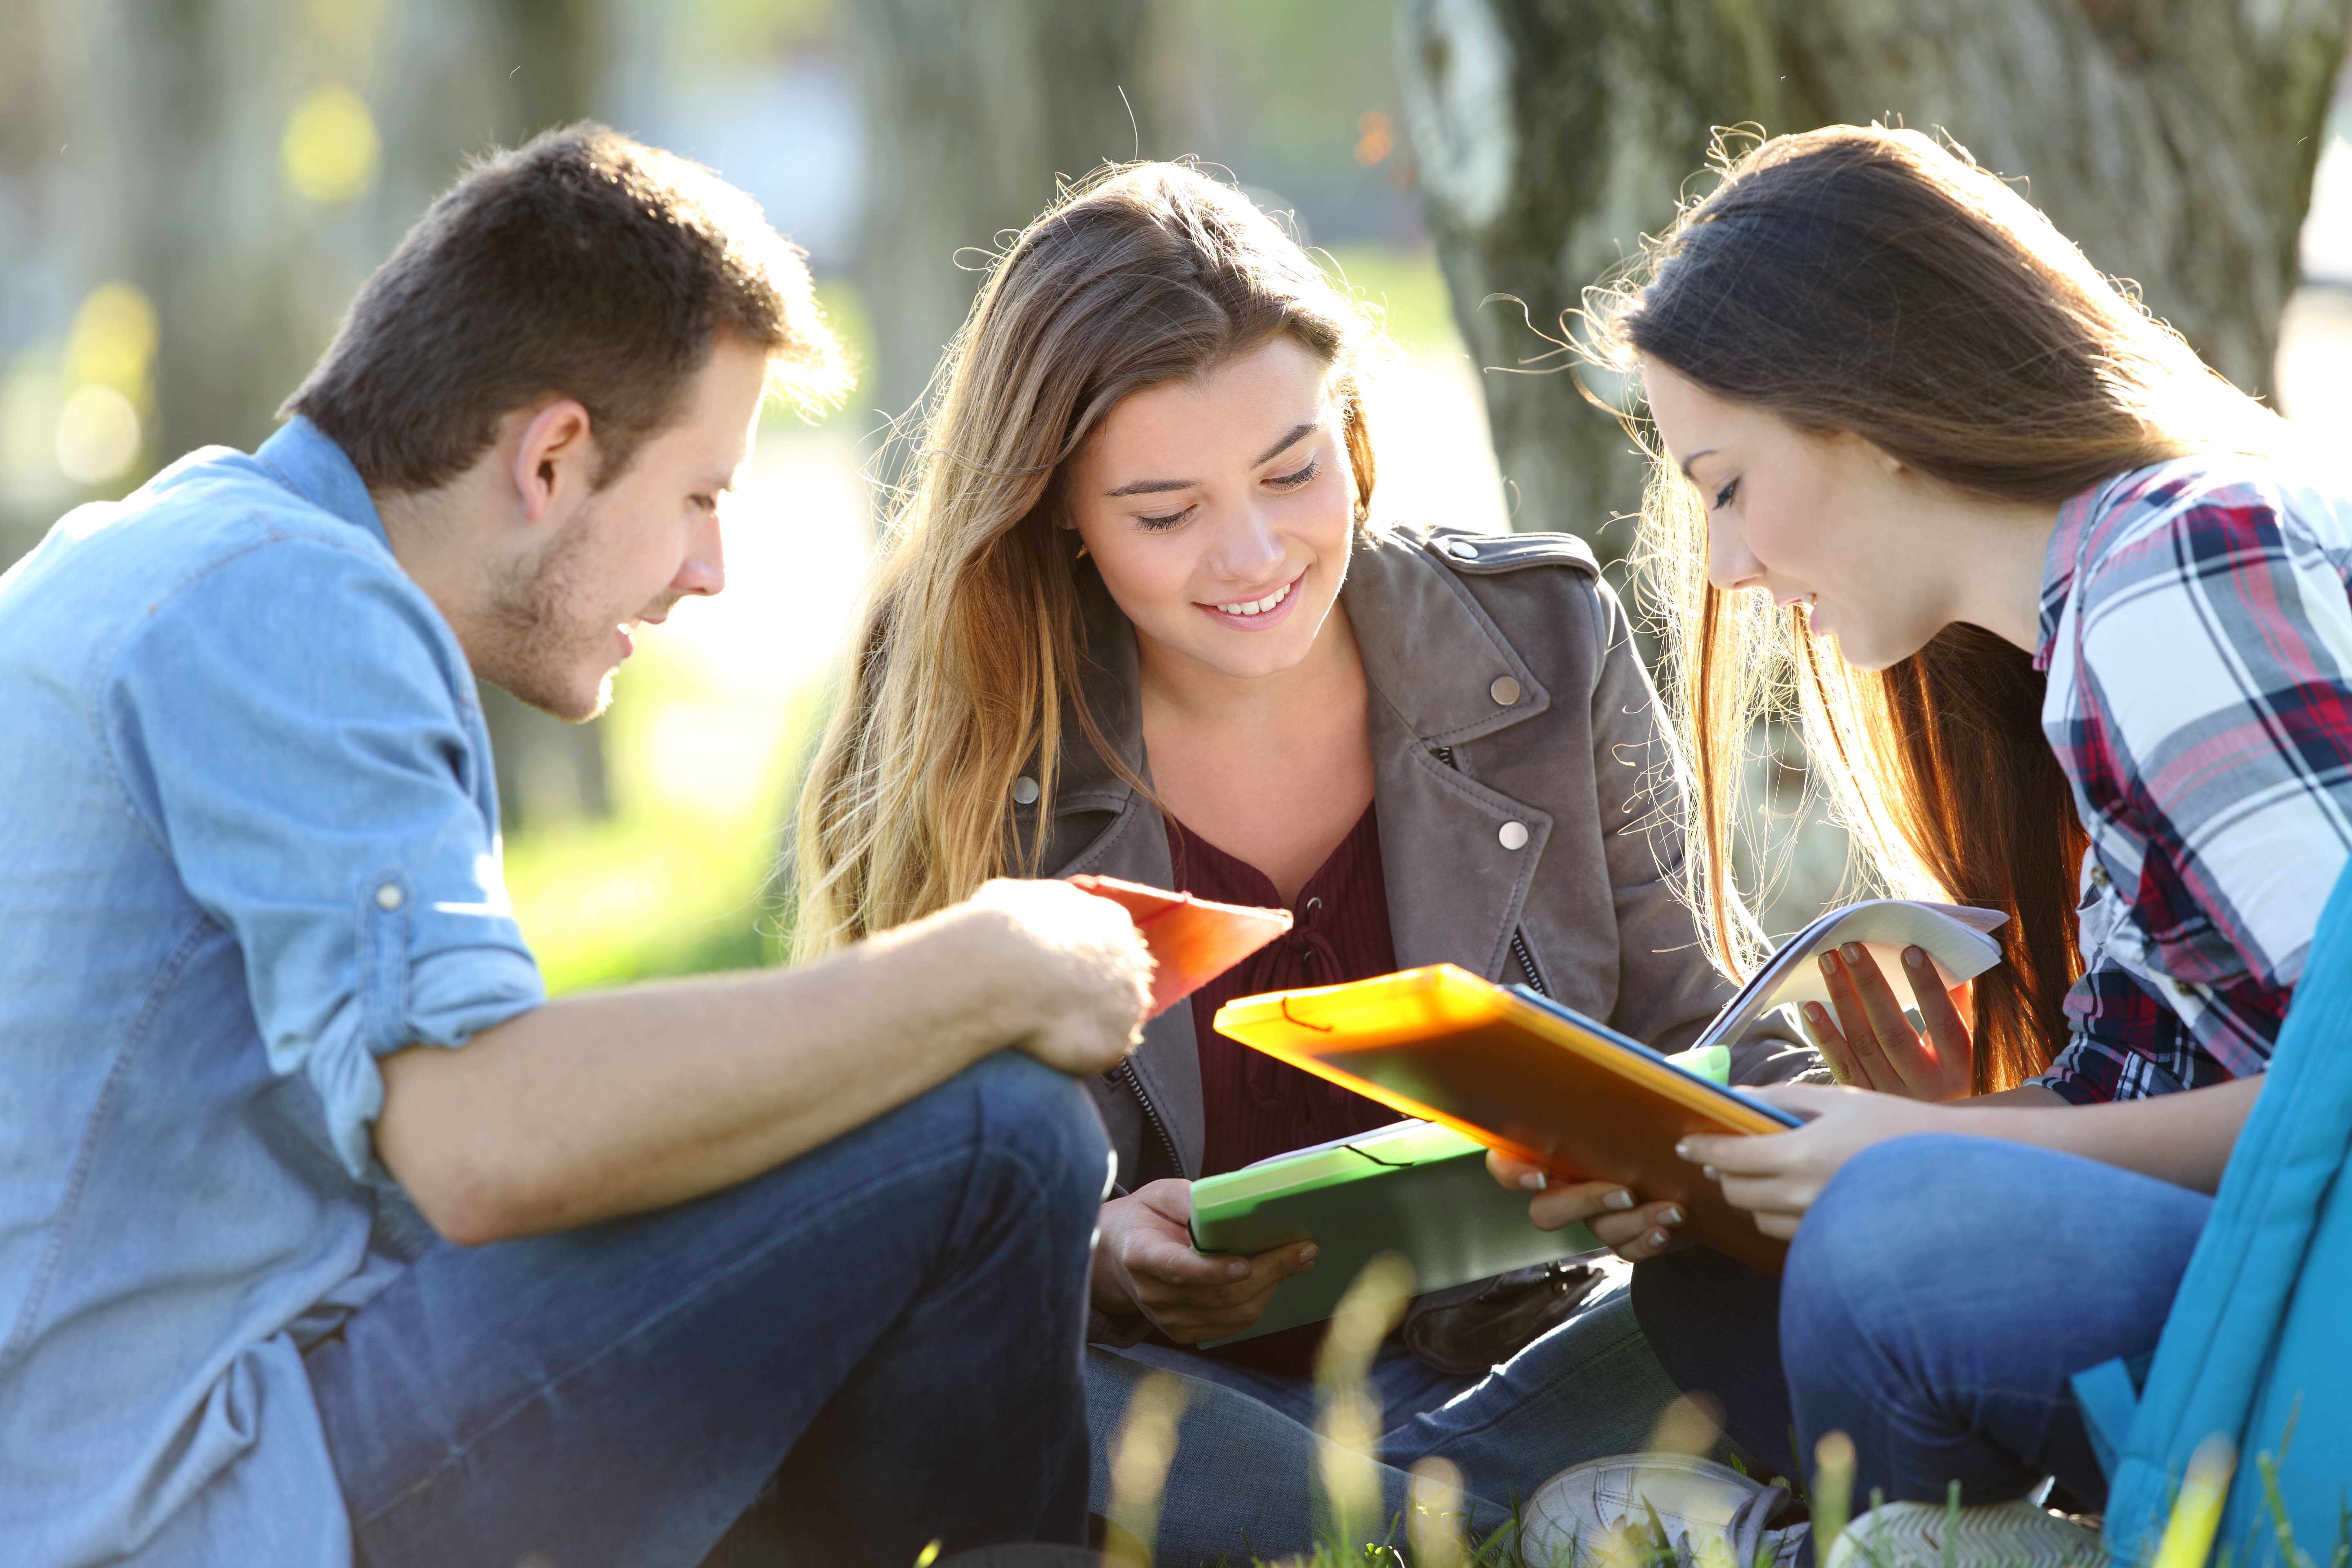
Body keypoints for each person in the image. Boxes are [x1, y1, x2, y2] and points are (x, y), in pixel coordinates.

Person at [0, 124, 1161, 1568]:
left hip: (137, 1458)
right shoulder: (296, 609)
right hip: (185, 1508)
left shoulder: (174, 556)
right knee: (1005, 1132)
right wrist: (979, 966)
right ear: (552, 457)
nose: (710, 569)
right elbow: (486, 1144)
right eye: (700, 495)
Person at [794, 160, 1817, 1560]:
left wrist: (1682, 1163)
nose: (1256, 550)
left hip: (1535, 1349)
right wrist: (1099, 1261)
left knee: (1817, 1289)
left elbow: (1704, 1038)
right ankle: (1492, 1527)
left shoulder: (1543, 638)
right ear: (1061, 518)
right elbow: (905, 1209)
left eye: (1294, 470)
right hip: (1173, 1392)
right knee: (930, 1388)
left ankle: (1372, 1525)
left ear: (1351, 428)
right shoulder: (965, 744)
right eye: (1166, 513)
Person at [1560, 122, 2349, 1556]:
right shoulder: (2079, 635)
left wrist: (1915, 1168)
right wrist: (1824, 1143)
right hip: (2275, 1278)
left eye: (1727, 486)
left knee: (1891, 1244)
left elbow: (2341, 1098)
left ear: (1862, 409)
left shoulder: (2176, 563)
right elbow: (2169, 1095)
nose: (1730, 564)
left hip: (2326, 1307)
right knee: (1725, 1257)